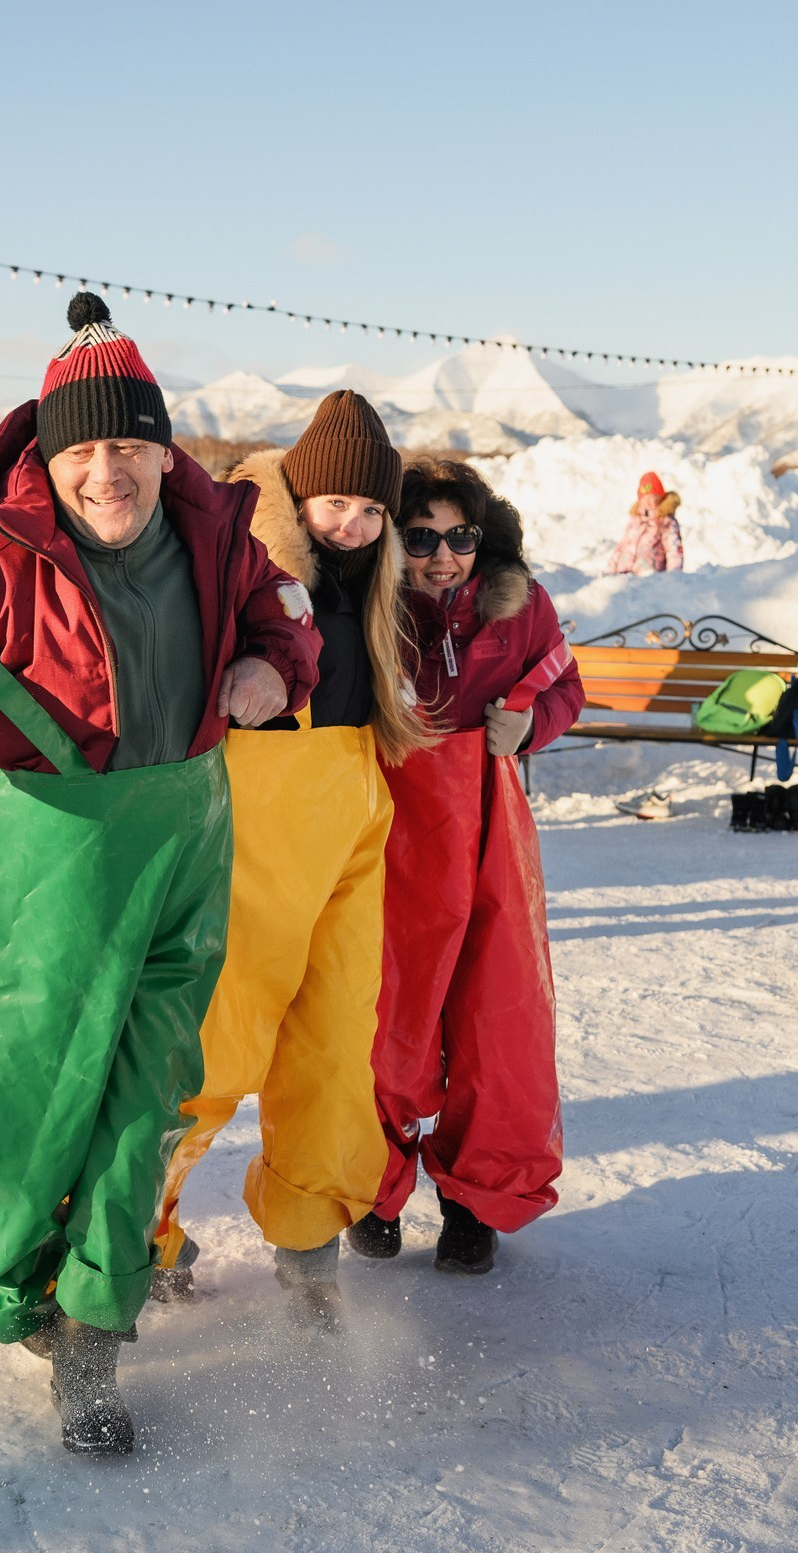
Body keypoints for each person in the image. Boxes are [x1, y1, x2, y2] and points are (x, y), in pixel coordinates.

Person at [0, 294, 318, 1456]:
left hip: (184, 841)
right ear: (48, 456)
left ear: (163, 447)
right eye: (84, 448)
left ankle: (92, 1326)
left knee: (146, 1095)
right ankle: (0, 1277)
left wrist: (271, 667)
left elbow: (286, 615)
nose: (110, 472)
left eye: (131, 444)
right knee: (32, 1118)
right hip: (37, 866)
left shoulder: (216, 536)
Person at [145, 391, 430, 1326]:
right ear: (298, 494)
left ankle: (308, 1246)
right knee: (216, 1040)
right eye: (336, 504)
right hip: (256, 803)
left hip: (350, 803)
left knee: (334, 1039)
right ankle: (133, 1231)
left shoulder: (372, 582)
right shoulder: (239, 560)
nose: (351, 525)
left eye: (371, 510)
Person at [349, 456, 584, 1276]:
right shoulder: (364, 608)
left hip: (487, 832)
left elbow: (561, 683)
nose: (443, 556)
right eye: (421, 538)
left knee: (493, 1017)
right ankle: (369, 1188)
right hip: (387, 831)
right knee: (383, 1013)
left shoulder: (518, 607)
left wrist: (530, 726)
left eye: (460, 537)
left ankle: (472, 1203)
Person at [605, 470, 685, 575]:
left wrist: (673, 576)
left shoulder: (666, 522)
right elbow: (622, 546)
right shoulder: (635, 520)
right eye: (644, 498)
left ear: (660, 498)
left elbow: (673, 550)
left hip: (649, 577)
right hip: (623, 574)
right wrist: (609, 571)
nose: (647, 501)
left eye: (651, 497)